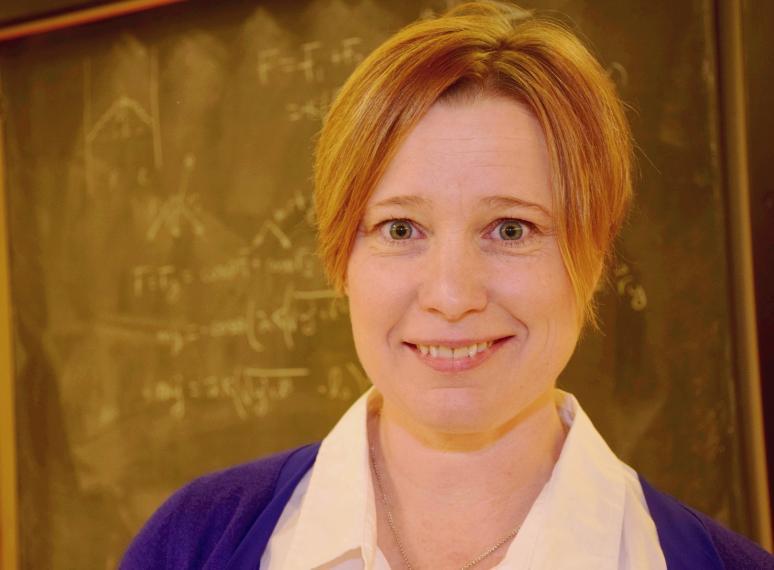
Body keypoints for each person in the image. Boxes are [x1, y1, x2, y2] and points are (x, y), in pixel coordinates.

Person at [121, 1, 773, 568]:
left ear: (594, 257)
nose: (453, 295)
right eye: (401, 229)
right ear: (342, 255)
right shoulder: (193, 545)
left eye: (512, 230)